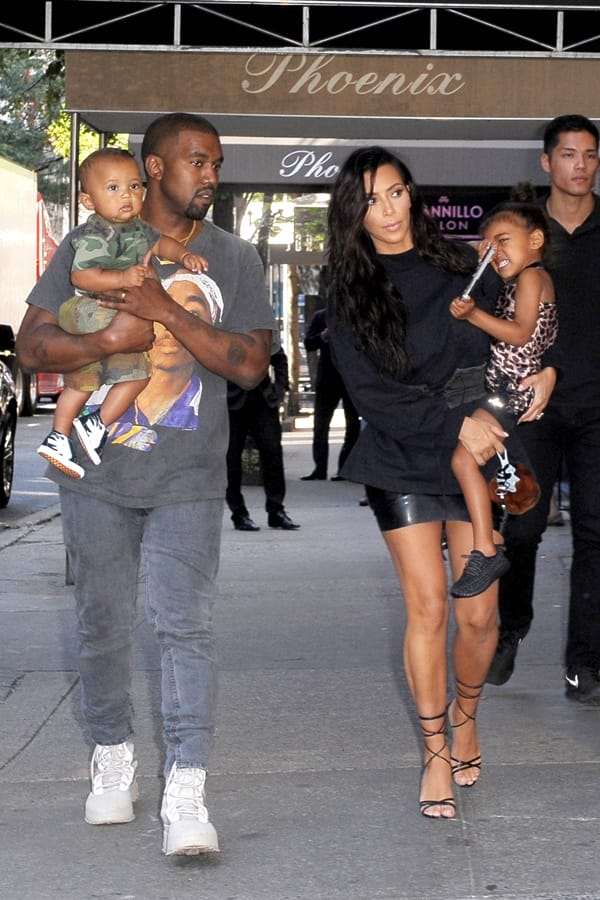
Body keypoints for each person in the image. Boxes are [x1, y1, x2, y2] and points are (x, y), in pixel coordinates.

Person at [15, 113, 277, 855]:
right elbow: (31, 344)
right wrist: (103, 340)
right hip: (95, 477)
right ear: (155, 168)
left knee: (184, 627)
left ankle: (187, 785)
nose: (211, 174)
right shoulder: (89, 240)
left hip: (189, 475)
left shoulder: (233, 257)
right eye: (197, 161)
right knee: (101, 624)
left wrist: (166, 312)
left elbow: (250, 365)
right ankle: (112, 754)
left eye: (216, 162)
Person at [325, 146, 555, 818]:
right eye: (372, 200)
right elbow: (372, 395)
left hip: (482, 447)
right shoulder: (349, 290)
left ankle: (467, 715)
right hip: (404, 452)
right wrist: (456, 424)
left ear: (412, 194)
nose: (389, 211)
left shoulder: (463, 264)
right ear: (354, 212)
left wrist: (547, 373)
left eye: (397, 192)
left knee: (479, 613)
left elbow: (526, 332)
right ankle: (433, 753)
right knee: (428, 607)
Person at [487, 113, 600, 704]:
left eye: (590, 155)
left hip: (597, 409)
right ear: (547, 161)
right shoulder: (522, 231)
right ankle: (511, 626)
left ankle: (585, 664)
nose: (581, 166)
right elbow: (486, 300)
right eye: (569, 154)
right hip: (527, 411)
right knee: (523, 520)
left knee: (595, 534)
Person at [36, 147, 209, 478]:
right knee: (137, 376)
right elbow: (81, 277)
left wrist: (184, 255)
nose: (127, 195)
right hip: (95, 310)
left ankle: (59, 437)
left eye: (134, 186)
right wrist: (122, 278)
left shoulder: (138, 229)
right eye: (113, 188)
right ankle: (94, 424)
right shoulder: (96, 234)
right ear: (88, 201)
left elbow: (161, 244)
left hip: (103, 313)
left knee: (82, 383)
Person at [448, 196, 557, 598]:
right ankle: (485, 528)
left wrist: (472, 314)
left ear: (536, 240)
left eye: (504, 240)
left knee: (464, 459)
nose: (495, 250)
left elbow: (521, 333)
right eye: (488, 244)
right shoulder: (522, 278)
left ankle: (485, 549)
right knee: (474, 460)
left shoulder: (531, 277)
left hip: (511, 391)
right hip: (504, 391)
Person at [226, 346, 300, 531]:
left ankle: (276, 511)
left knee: (273, 452)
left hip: (263, 399)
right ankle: (239, 513)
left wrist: (280, 387)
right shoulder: (220, 329)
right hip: (230, 401)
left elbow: (279, 357)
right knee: (231, 458)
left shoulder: (261, 329)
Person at [300, 302, 361, 481]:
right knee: (320, 425)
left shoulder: (357, 317)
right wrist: (323, 336)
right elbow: (308, 343)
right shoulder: (321, 317)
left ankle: (345, 468)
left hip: (350, 379)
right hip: (327, 379)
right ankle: (320, 468)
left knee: (353, 425)